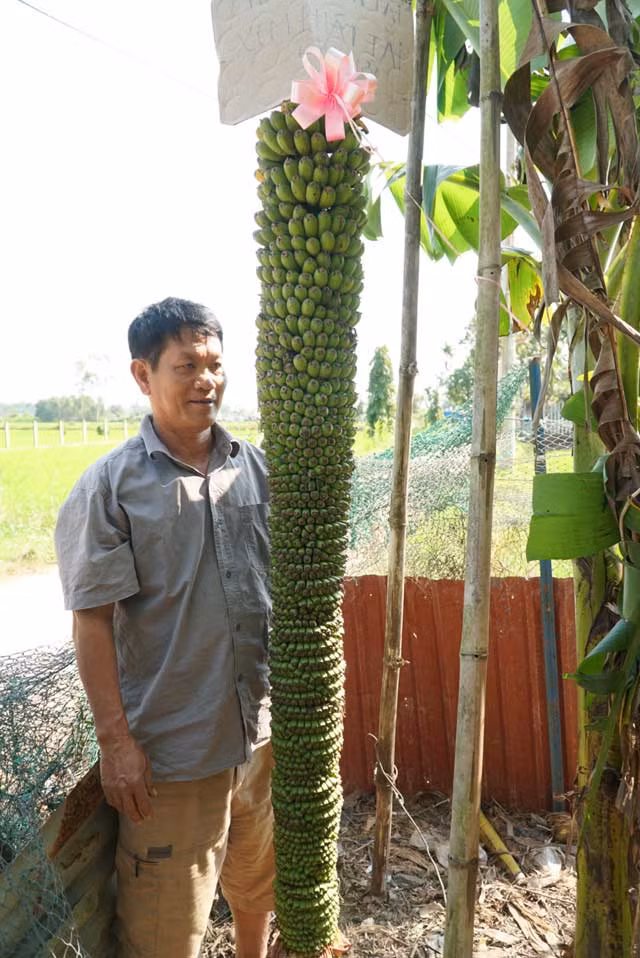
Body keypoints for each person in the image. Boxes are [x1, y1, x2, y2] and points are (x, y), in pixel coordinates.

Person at [55, 297, 274, 958]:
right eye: (187, 366)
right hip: (174, 755)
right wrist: (116, 743)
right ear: (143, 376)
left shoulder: (255, 467)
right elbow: (91, 622)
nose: (207, 379)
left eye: (215, 363)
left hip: (260, 738)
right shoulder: (110, 489)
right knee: (164, 929)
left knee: (258, 884)